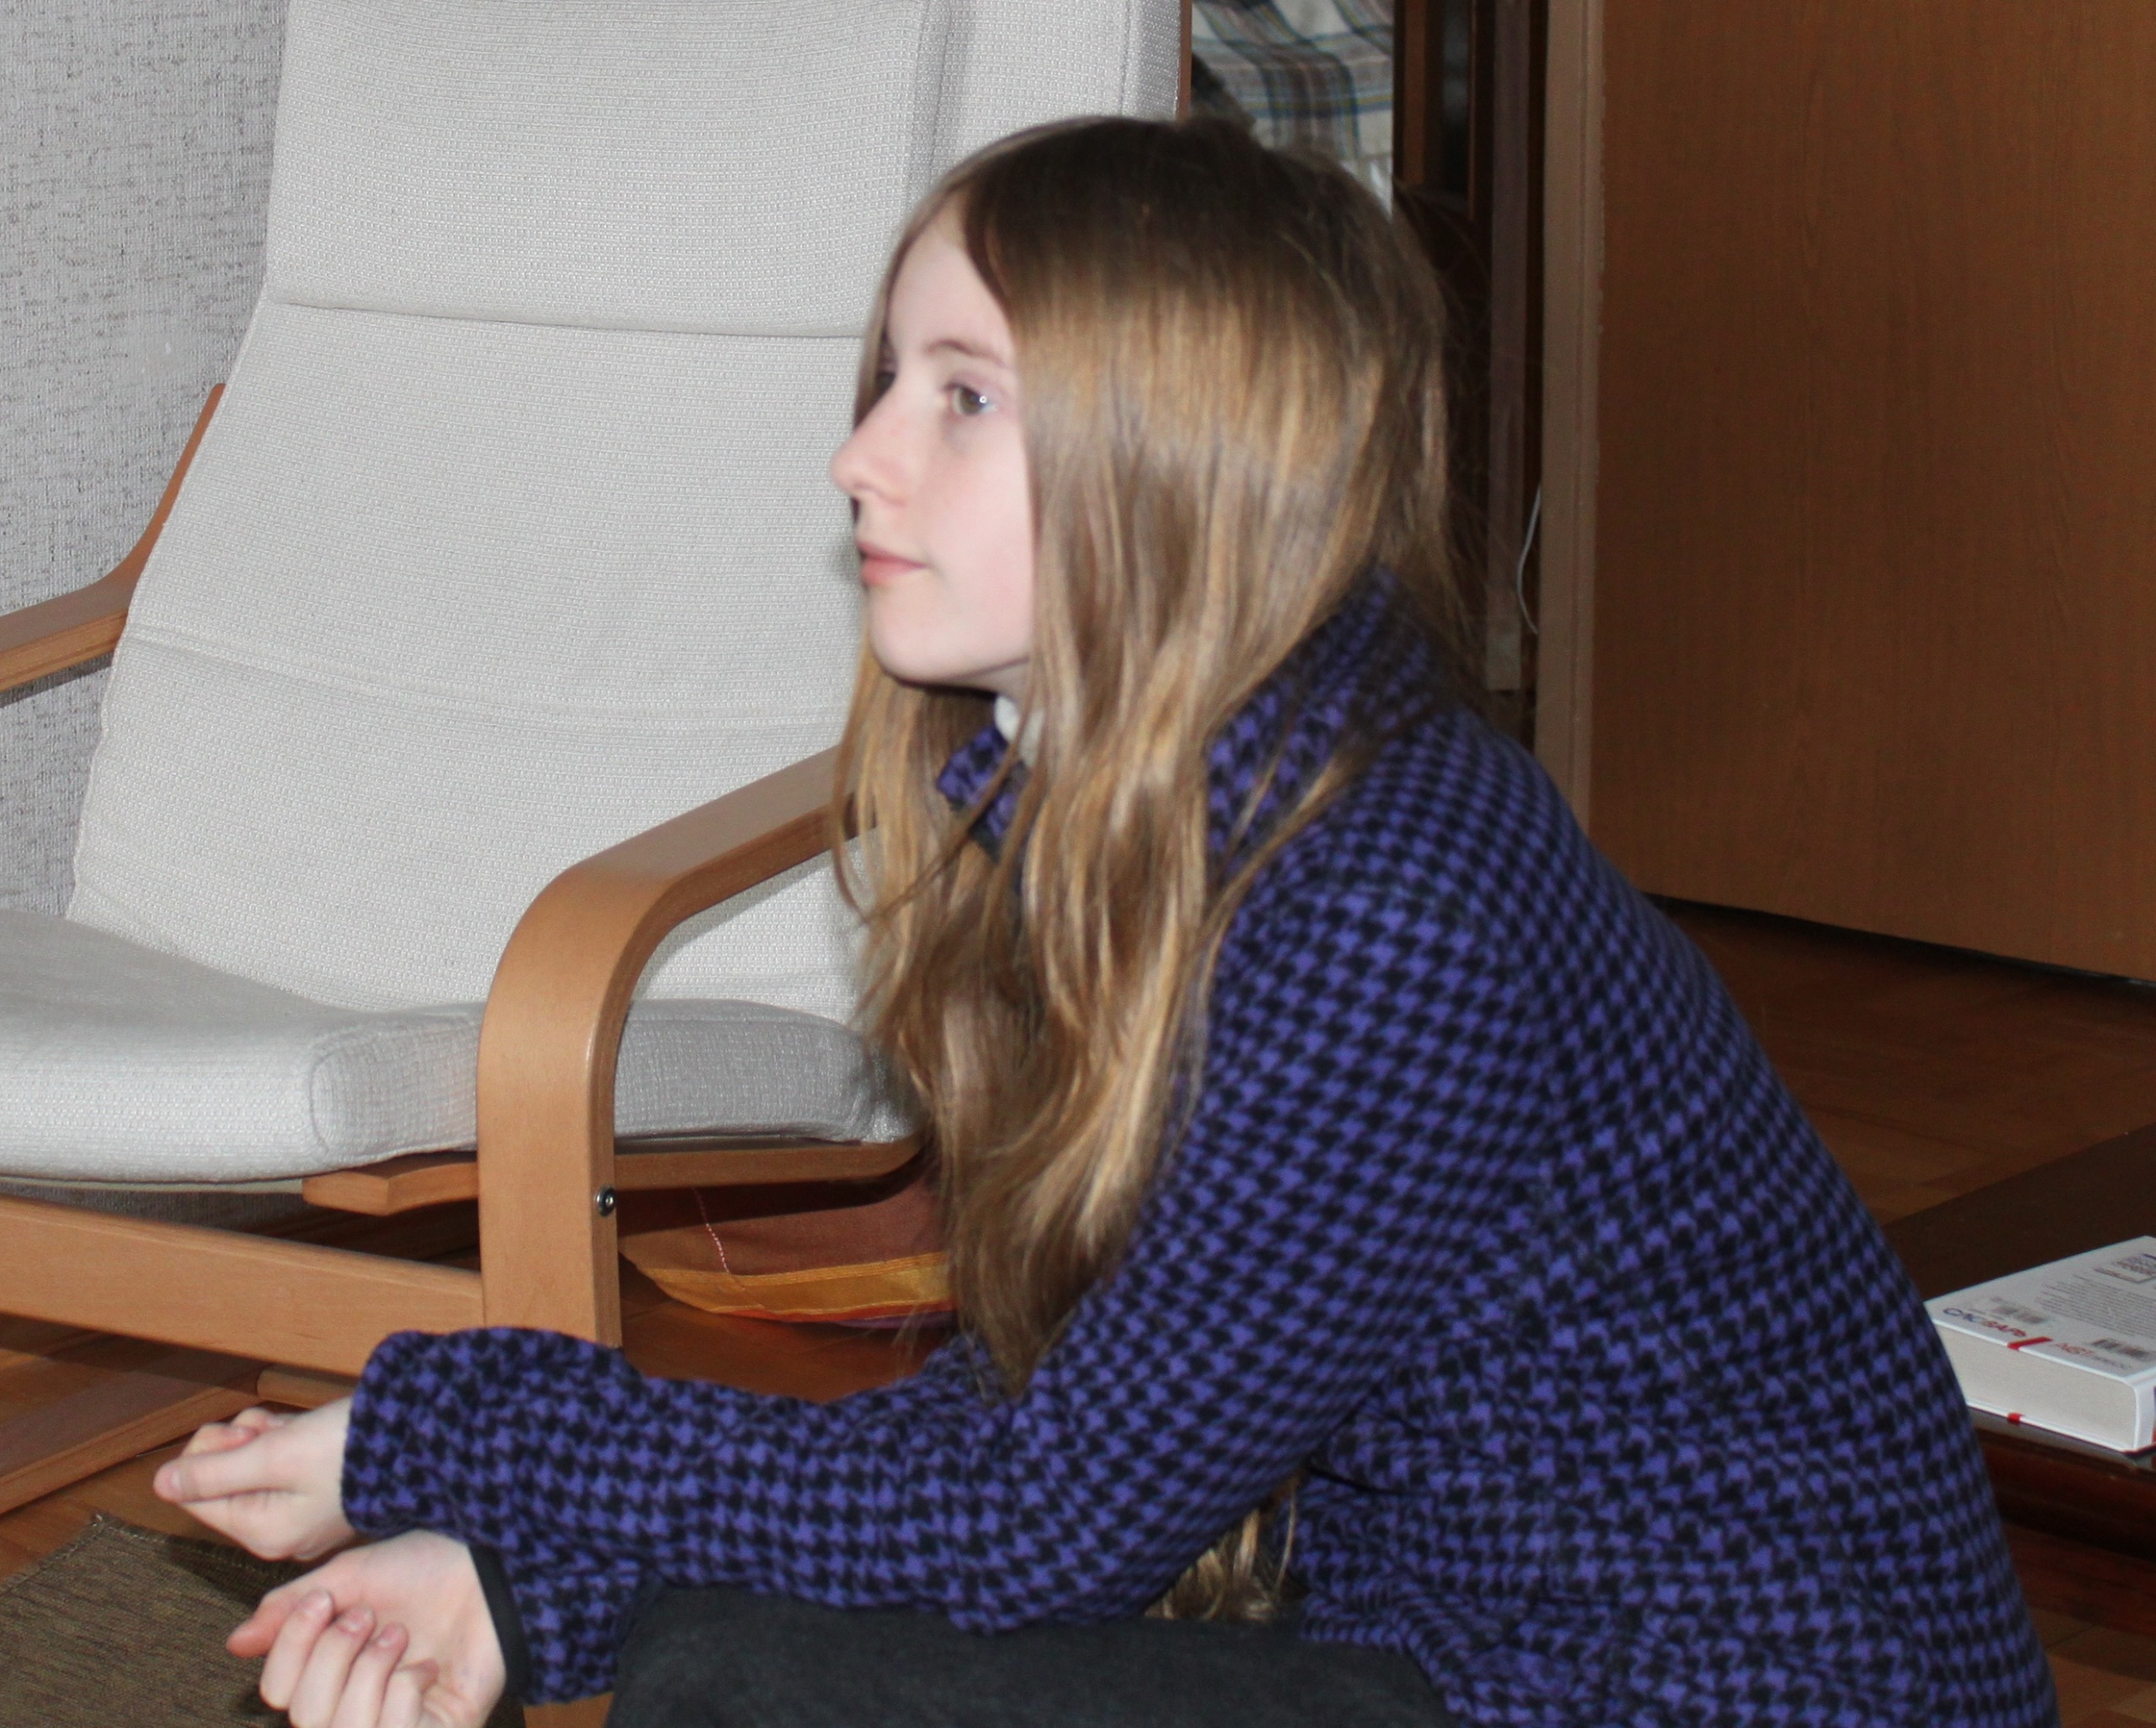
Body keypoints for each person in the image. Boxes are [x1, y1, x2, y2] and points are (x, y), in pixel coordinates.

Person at [154, 117, 2056, 1728]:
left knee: (740, 1679)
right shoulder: (1169, 806)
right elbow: (1068, 1425)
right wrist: (520, 1585)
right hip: (1455, 1629)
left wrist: (452, 1438)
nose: (862, 455)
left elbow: (1035, 1519)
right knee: (738, 1649)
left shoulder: (1392, 903)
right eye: (890, 381)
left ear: (1187, 459)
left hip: (1704, 1690)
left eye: (964, 397)